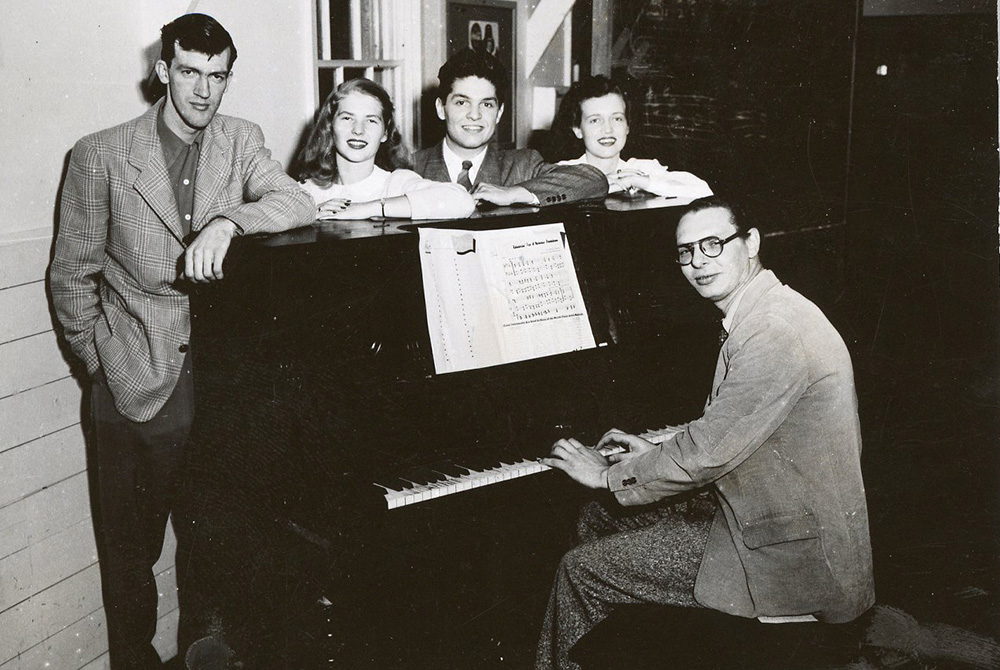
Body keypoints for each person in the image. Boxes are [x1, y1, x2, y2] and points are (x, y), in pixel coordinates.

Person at [49, 13, 314, 669]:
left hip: (222, 392)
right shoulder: (100, 154)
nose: (203, 91)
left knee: (217, 553)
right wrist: (102, 366)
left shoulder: (239, 139)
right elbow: (71, 276)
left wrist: (230, 219)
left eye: (217, 76)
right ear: (162, 70)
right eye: (190, 73)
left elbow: (296, 201)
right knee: (129, 567)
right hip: (133, 387)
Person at [536, 196, 875, 670]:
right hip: (766, 511)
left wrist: (609, 476)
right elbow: (728, 433)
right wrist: (654, 452)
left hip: (789, 548)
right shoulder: (763, 311)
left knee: (581, 569)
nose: (697, 262)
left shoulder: (773, 329)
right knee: (597, 520)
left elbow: (705, 453)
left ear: (751, 243)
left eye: (713, 244)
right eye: (686, 251)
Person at [413, 49, 608, 207]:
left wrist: (514, 193)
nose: (475, 114)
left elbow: (593, 179)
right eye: (462, 103)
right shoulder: (411, 167)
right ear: (441, 108)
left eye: (487, 104)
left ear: (499, 113)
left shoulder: (523, 165)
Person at [295, 78, 475, 220]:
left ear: (385, 133)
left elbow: (463, 201)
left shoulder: (395, 183)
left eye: (371, 120)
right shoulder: (307, 191)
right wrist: (308, 215)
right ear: (330, 126)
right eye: (347, 118)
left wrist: (367, 209)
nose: (358, 130)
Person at [554, 75, 713, 203]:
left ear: (627, 127)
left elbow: (704, 191)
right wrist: (603, 185)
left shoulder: (640, 169)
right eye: (595, 120)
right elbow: (537, 196)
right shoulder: (563, 171)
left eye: (617, 119)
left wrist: (643, 182)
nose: (608, 129)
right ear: (577, 130)